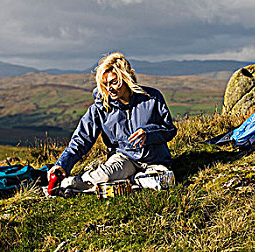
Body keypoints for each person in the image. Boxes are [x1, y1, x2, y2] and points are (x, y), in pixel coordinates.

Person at [48, 52, 177, 192]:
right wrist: (63, 164)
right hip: (123, 158)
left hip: (154, 160)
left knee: (162, 182)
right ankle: (67, 184)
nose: (109, 88)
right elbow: (81, 139)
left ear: (126, 78)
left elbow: (169, 130)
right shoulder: (100, 108)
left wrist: (149, 133)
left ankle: (132, 181)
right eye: (105, 84)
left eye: (114, 82)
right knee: (104, 177)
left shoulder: (152, 98)